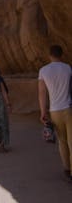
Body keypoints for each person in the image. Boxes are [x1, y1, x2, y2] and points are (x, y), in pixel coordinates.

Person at [38, 45, 72, 181]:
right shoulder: (68, 68)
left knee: (62, 141)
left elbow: (42, 93)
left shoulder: (43, 71)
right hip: (69, 108)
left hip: (54, 110)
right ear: (61, 54)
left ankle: (67, 169)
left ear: (49, 55)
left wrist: (42, 112)